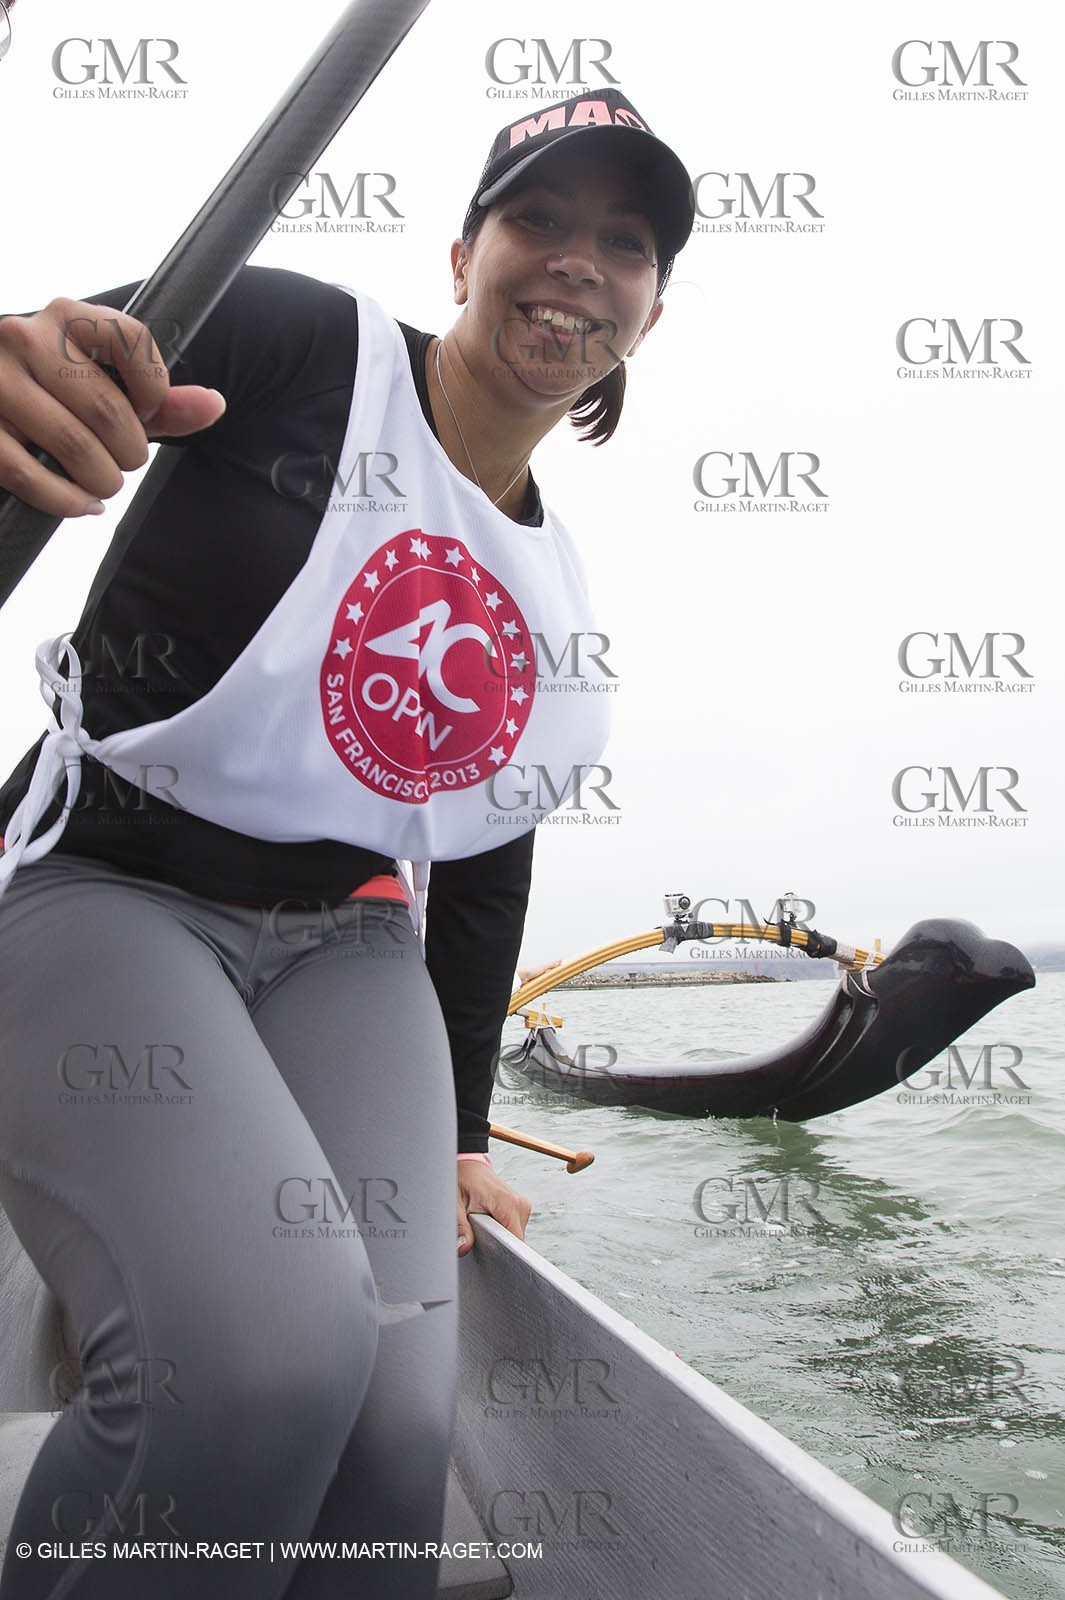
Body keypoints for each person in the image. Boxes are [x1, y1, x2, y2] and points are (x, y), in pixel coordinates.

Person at [0, 87, 693, 1598]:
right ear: (462, 254)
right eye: (541, 220)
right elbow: (65, 373)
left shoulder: (553, 592)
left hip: (349, 944)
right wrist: (21, 377)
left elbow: (486, 853)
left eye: (625, 244)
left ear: (649, 309)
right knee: (258, 1368)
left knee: (388, 1440)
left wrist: (453, 1132)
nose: (579, 260)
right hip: (108, 884)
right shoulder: (293, 346)